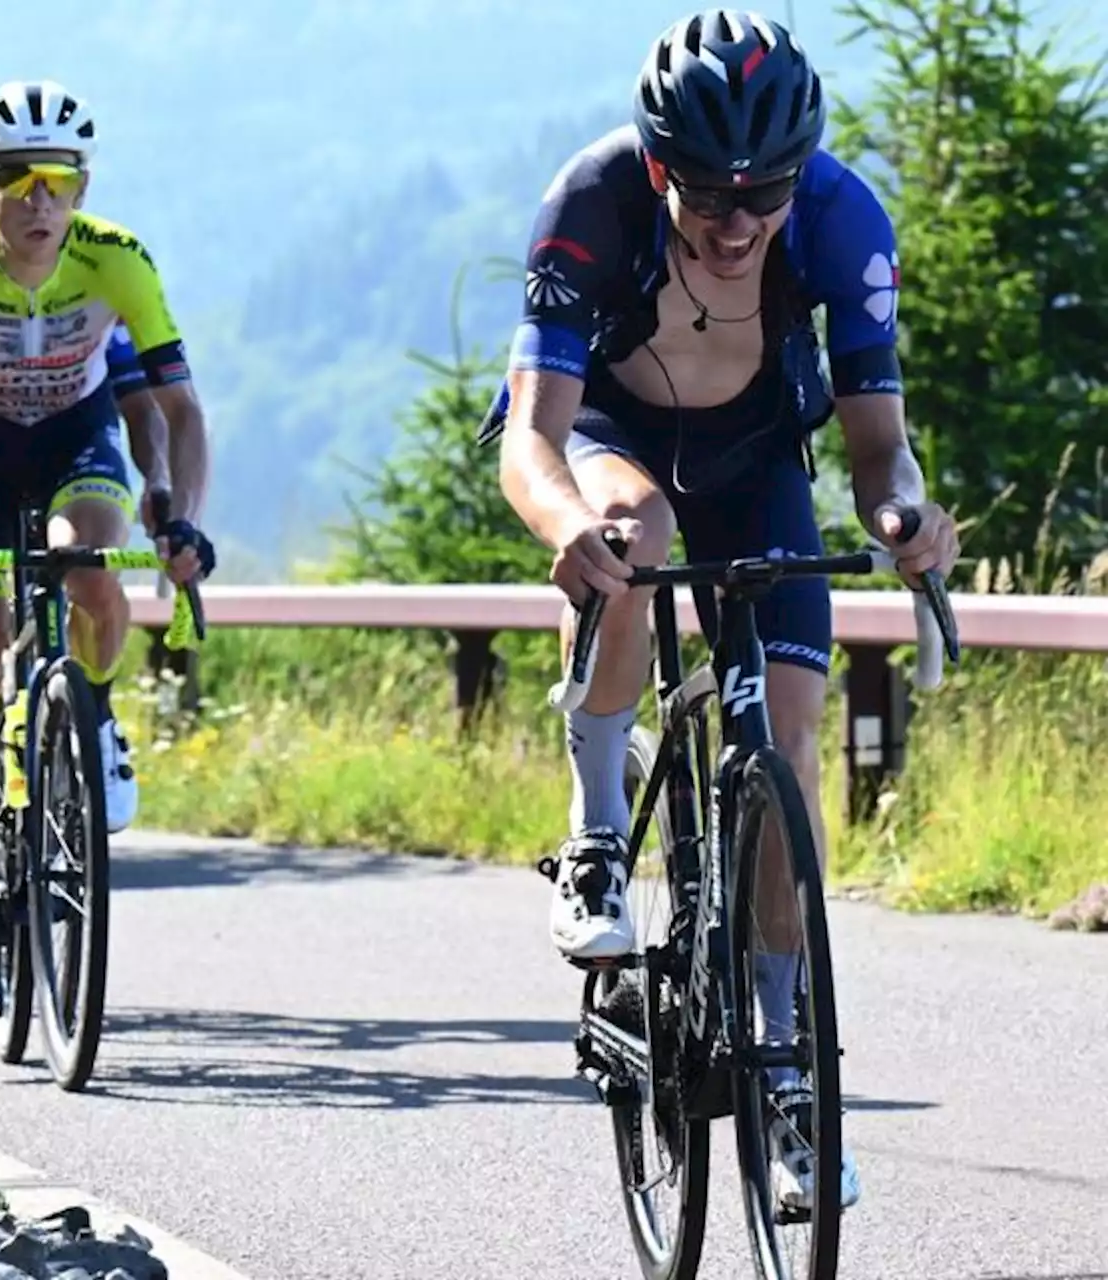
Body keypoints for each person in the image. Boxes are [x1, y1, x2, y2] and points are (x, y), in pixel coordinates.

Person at [482, 8, 959, 1217]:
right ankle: (596, 832)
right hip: (613, 435)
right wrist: (563, 530)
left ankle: (785, 1064)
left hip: (755, 456)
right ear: (656, 167)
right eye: (706, 195)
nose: (738, 222)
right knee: (629, 542)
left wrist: (905, 518)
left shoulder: (842, 221)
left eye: (764, 194)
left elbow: (878, 453)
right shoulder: (587, 203)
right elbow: (531, 437)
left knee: (786, 749)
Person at [0, 79, 214, 1012]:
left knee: (95, 570)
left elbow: (181, 410)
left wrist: (180, 513)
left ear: (82, 186)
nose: (39, 201)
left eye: (58, 180)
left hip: (75, 432)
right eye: (18, 179)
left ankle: (93, 721)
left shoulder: (120, 260)